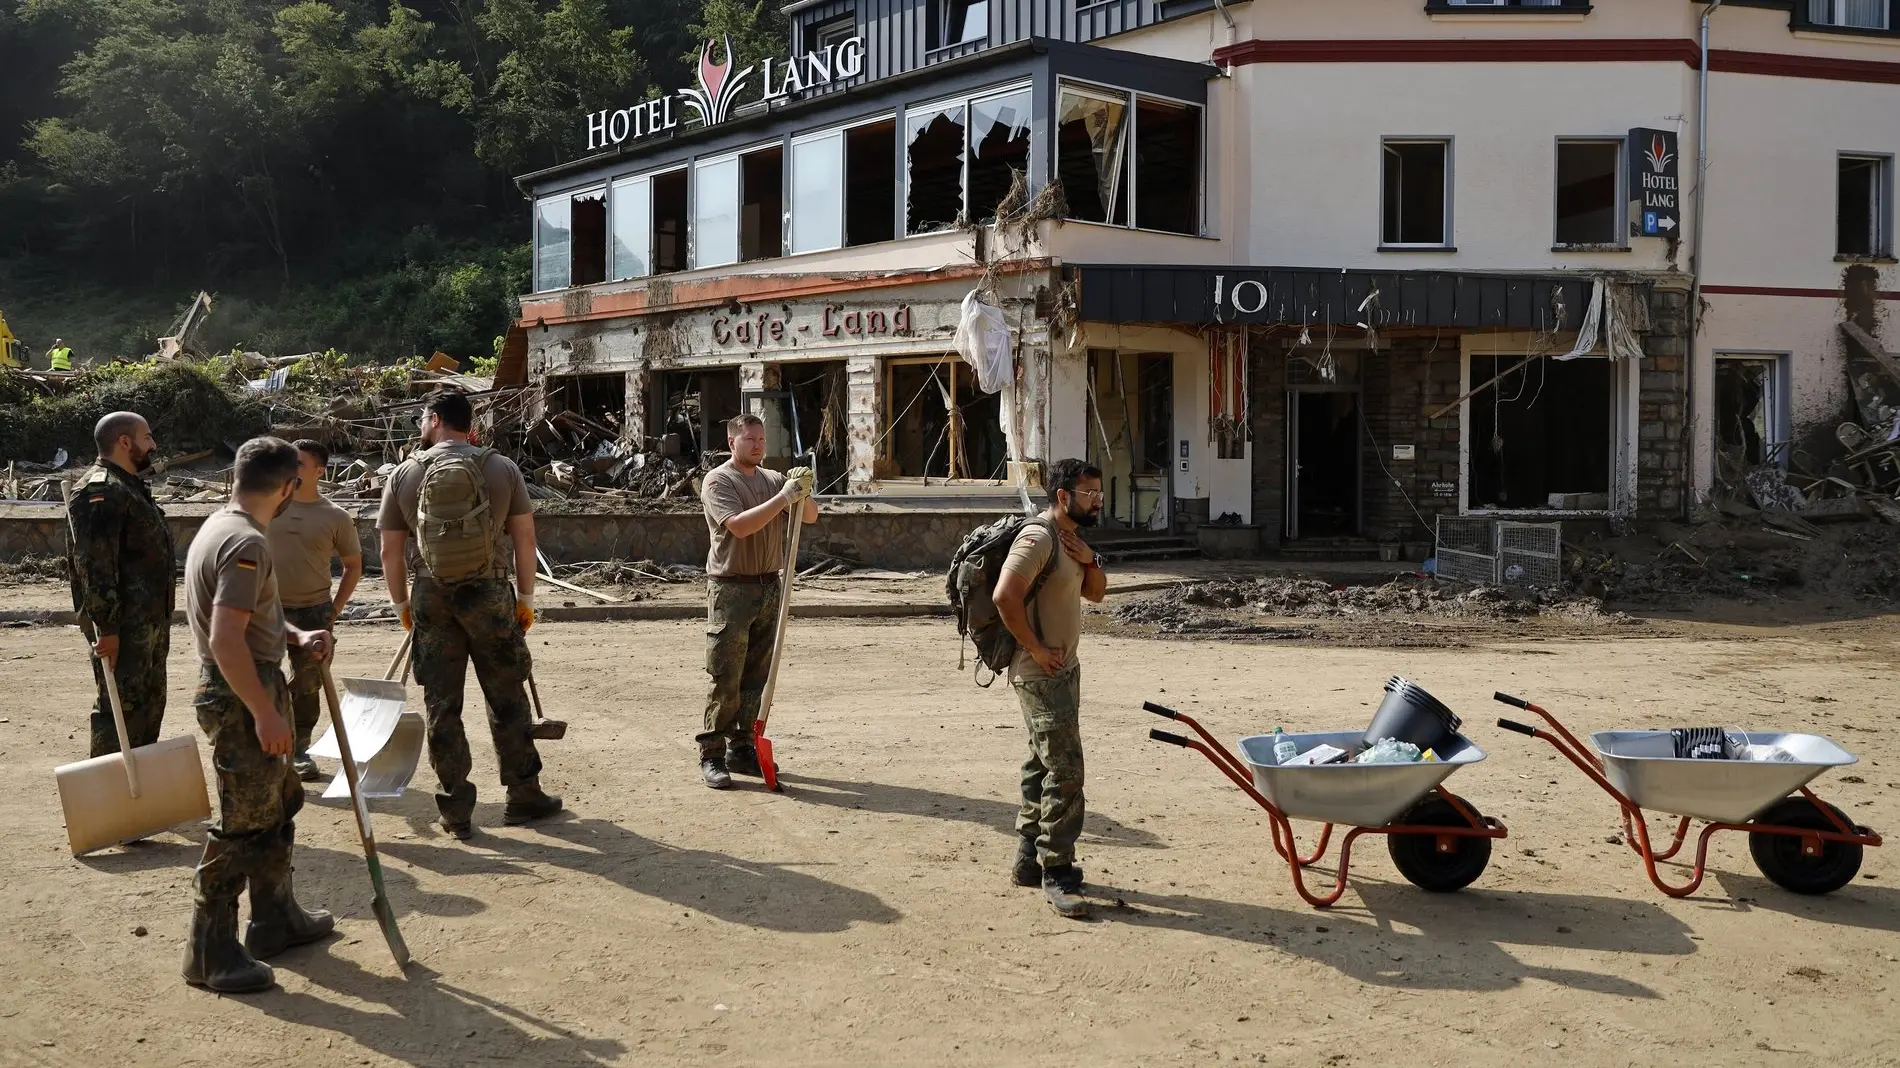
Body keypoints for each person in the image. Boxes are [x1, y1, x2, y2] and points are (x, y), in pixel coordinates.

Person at [182, 436, 336, 994]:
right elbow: (225, 640)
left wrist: (295, 633)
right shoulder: (246, 542)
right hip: (239, 692)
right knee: (242, 820)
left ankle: (275, 919)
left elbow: (248, 619)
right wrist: (266, 712)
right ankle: (209, 954)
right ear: (288, 485)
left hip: (250, 681)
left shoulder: (224, 527)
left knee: (279, 803)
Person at [377, 391, 562, 839]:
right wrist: (527, 601)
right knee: (506, 697)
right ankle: (523, 795)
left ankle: (455, 809)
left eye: (422, 417)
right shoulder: (501, 468)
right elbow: (525, 539)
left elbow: (389, 551)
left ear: (435, 419)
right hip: (491, 594)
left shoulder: (404, 474)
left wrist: (402, 605)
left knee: (442, 704)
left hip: (430, 595)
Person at [991, 459, 1108, 919]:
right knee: (1066, 770)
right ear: (1063, 497)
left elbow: (1096, 593)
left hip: (1064, 670)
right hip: (1041, 674)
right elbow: (1005, 595)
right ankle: (1058, 870)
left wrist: (1090, 559)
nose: (1097, 501)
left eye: (1100, 493)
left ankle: (1026, 857)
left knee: (1042, 762)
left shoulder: (1072, 541)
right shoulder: (1038, 537)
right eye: (1089, 494)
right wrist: (1037, 649)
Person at [696, 413, 818, 789]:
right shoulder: (718, 480)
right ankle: (712, 753)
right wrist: (784, 498)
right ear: (733, 442)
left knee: (756, 678)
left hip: (769, 586)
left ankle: (743, 748)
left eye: (762, 440)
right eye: (750, 440)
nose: (758, 446)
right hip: (731, 588)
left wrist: (804, 491)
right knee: (726, 676)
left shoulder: (774, 479)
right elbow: (739, 525)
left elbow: (809, 517)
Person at [67, 411, 176, 757]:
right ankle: (109, 799)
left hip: (148, 625)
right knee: (118, 715)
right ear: (124, 442)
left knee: (147, 708)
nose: (153, 445)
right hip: (123, 628)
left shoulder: (129, 487)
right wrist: (107, 627)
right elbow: (95, 565)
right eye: (147, 438)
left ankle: (140, 800)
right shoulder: (101, 491)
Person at [268, 440, 364, 780]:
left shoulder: (335, 516)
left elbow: (353, 565)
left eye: (299, 463)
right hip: (266, 612)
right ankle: (265, 747)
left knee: (308, 685)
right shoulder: (268, 507)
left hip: (314, 611)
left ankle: (299, 748)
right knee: (260, 679)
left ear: (319, 471)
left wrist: (334, 609)